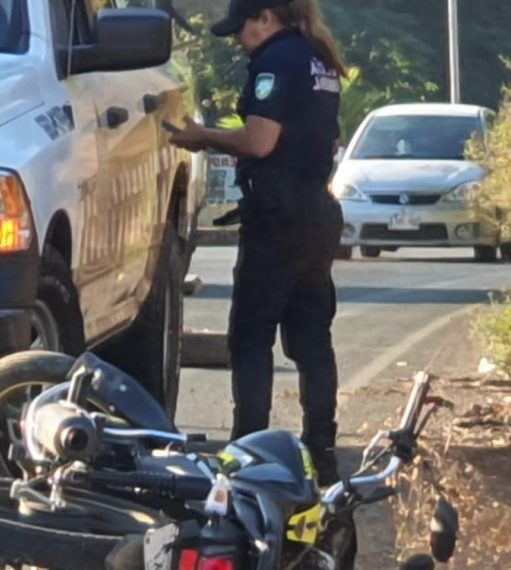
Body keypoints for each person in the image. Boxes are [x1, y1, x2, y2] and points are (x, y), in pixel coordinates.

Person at [169, 0, 347, 485]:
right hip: (317, 212)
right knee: (312, 339)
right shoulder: (319, 58)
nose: (238, 39)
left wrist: (200, 136)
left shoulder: (276, 60)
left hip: (278, 216)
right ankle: (321, 451)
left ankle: (247, 449)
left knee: (250, 337)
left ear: (266, 17)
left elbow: (259, 141)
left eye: (242, 29)